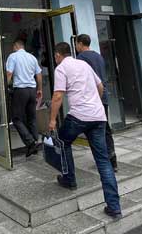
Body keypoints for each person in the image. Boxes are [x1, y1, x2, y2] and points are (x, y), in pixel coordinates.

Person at [48, 42, 121, 218]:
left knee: (63, 142)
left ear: (58, 55)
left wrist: (52, 120)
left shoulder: (61, 68)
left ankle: (69, 179)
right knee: (103, 161)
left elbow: (58, 95)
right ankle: (114, 207)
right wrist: (94, 102)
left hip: (79, 116)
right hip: (98, 116)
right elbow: (100, 86)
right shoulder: (84, 64)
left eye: (55, 56)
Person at [75, 34, 117, 171]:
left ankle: (103, 162)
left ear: (80, 44)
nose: (76, 46)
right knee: (105, 129)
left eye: (76, 44)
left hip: (91, 98)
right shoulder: (99, 56)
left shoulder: (81, 58)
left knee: (93, 132)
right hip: (103, 96)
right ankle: (112, 160)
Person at [5, 38, 44, 157]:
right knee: (31, 117)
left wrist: (6, 87)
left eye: (13, 47)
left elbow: (9, 73)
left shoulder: (13, 56)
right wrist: (39, 89)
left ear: (16, 46)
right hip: (32, 90)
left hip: (20, 90)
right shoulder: (32, 57)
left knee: (16, 118)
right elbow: (39, 74)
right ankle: (35, 143)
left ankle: (30, 142)